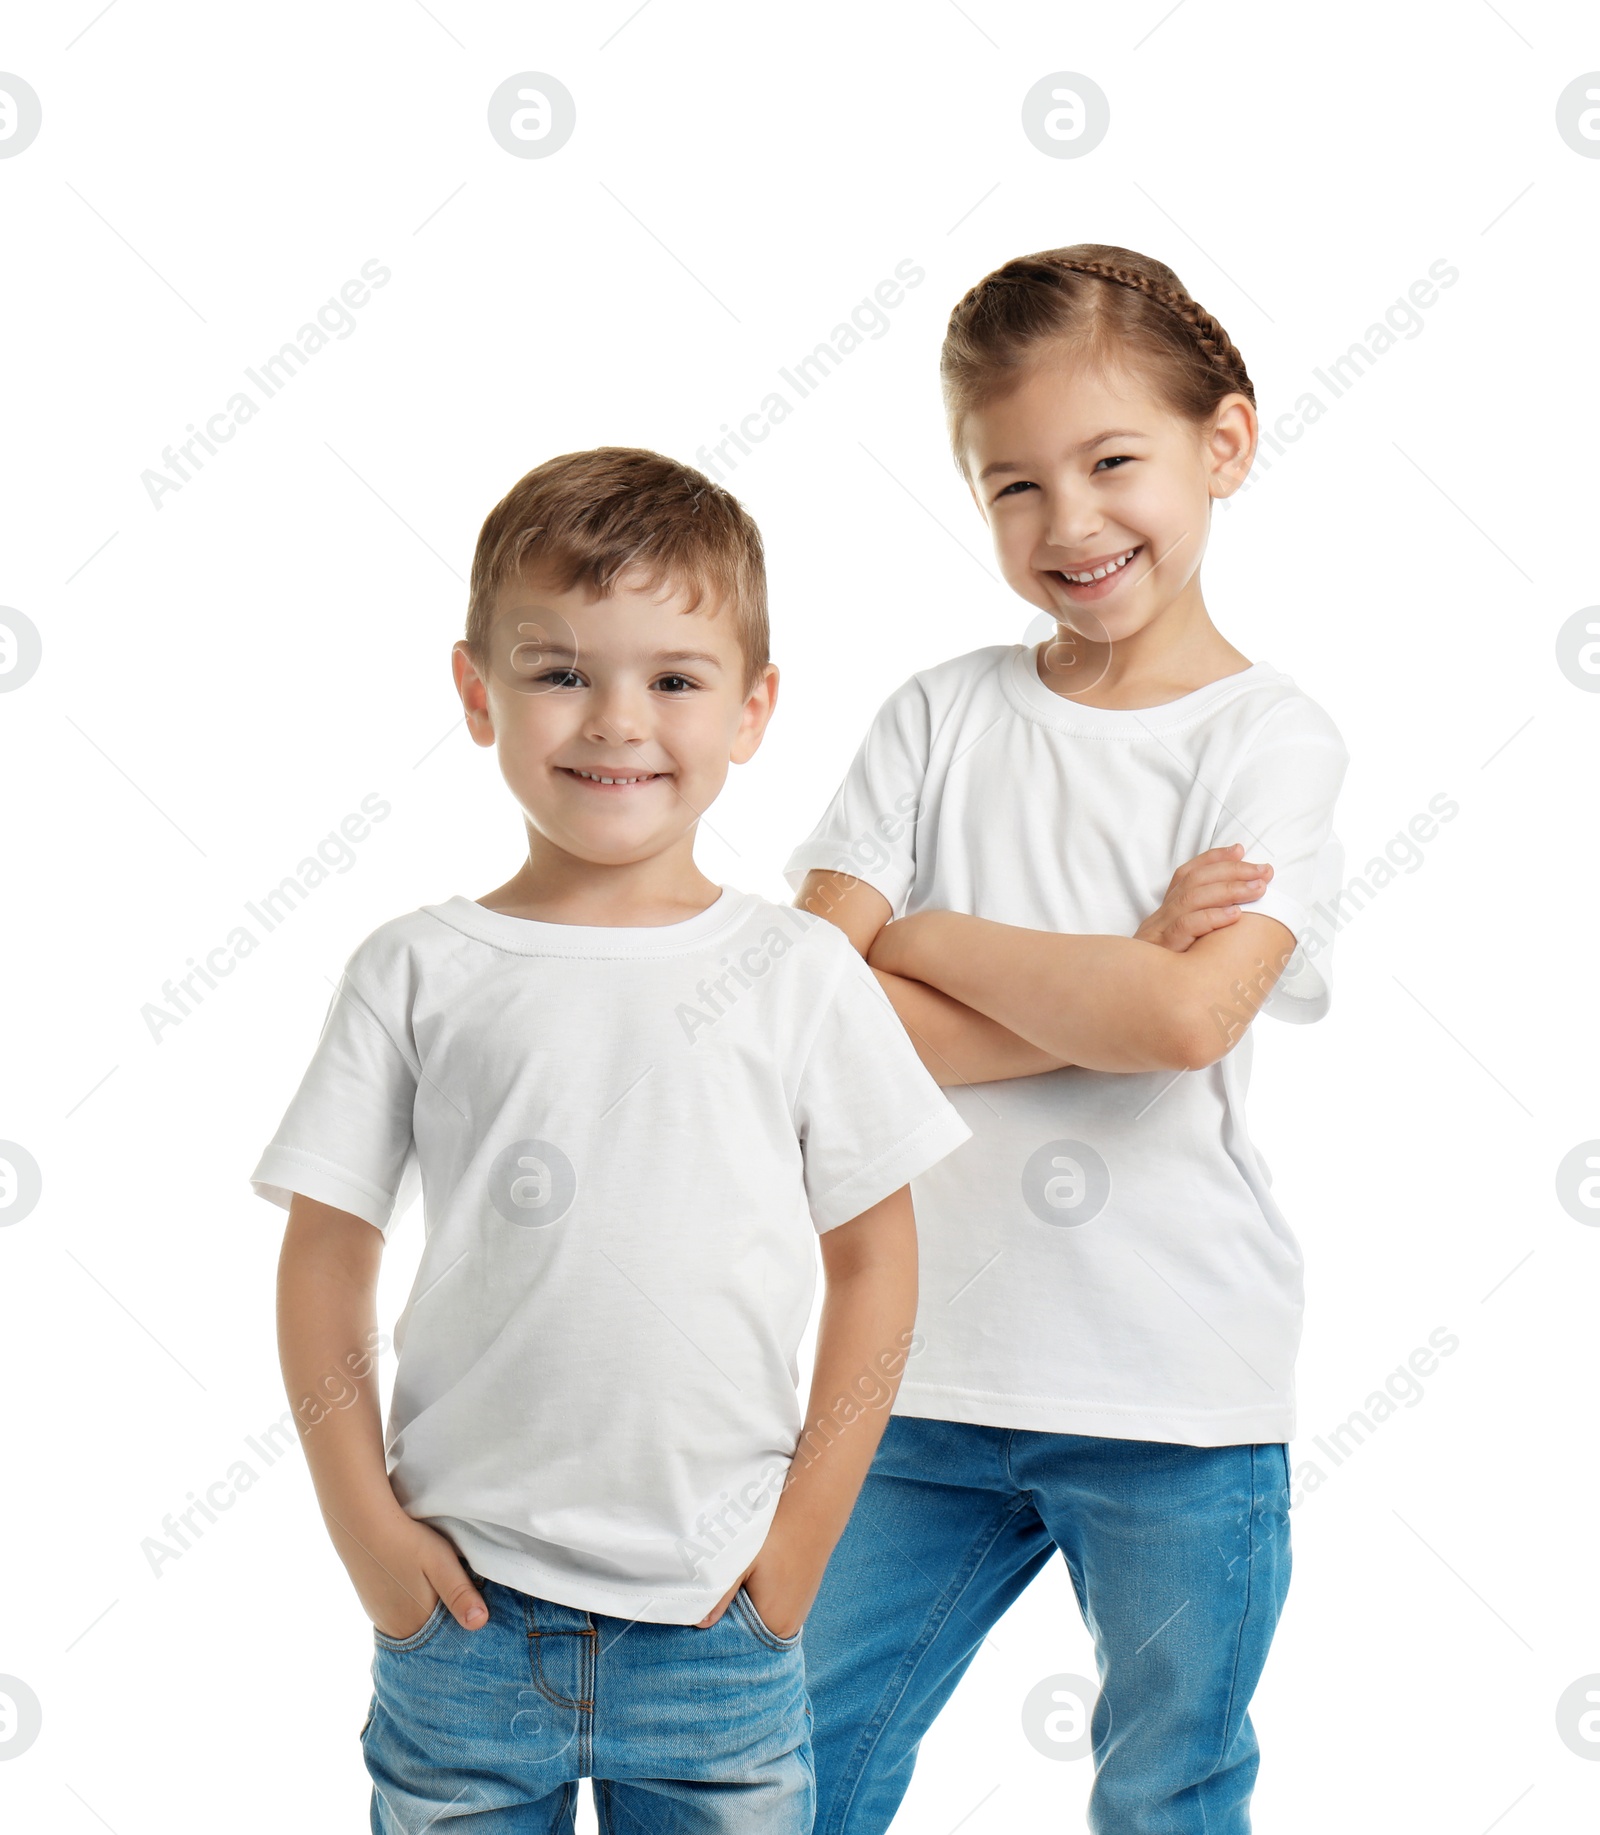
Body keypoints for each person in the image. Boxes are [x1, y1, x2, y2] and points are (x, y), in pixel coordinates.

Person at [251, 446, 976, 1833]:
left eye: (676, 679)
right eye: (561, 671)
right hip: (461, 1624)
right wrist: (366, 1535)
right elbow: (323, 1261)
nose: (616, 722)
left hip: (721, 1630)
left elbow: (879, 1265)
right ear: (478, 692)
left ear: (755, 708)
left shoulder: (798, 972)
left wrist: (799, 1550)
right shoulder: (415, 968)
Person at [788, 244, 1350, 1834]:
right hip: (911, 1379)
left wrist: (932, 937)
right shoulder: (939, 712)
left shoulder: (1269, 739)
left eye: (1115, 462)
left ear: (1222, 445)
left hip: (1176, 1389)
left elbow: (1184, 1018)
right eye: (1013, 484)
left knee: (1169, 1786)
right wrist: (1100, 986)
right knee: (794, 1766)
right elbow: (807, 1018)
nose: (1071, 522)